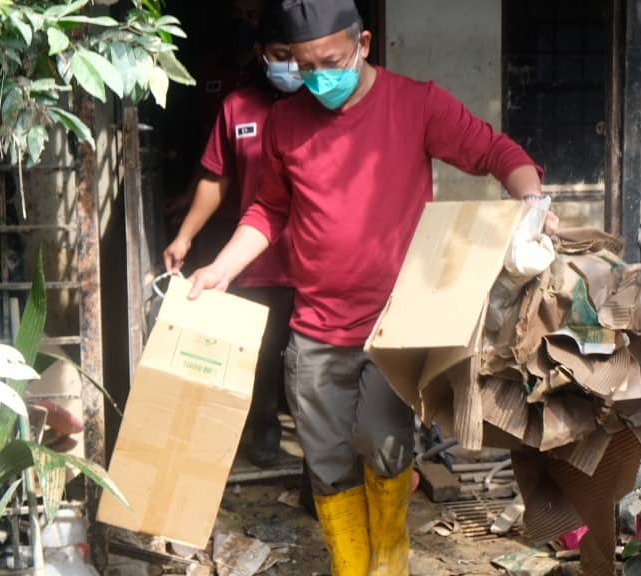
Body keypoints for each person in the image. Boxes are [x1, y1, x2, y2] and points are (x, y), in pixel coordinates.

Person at [188, 0, 557, 573]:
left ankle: (389, 562)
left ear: (362, 44)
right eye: (303, 67)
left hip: (392, 328)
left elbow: (494, 152)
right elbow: (267, 210)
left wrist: (531, 200)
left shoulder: (417, 103)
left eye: (330, 62)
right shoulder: (286, 122)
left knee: (386, 451)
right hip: (313, 330)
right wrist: (223, 268)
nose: (317, 79)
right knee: (327, 464)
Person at [164, 5, 303, 469]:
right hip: (256, 259)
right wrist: (185, 236)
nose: (293, 65)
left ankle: (315, 460)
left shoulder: (323, 104)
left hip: (315, 261)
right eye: (282, 54)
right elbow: (216, 178)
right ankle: (262, 430)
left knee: (313, 364)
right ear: (261, 54)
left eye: (298, 54)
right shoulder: (238, 107)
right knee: (260, 357)